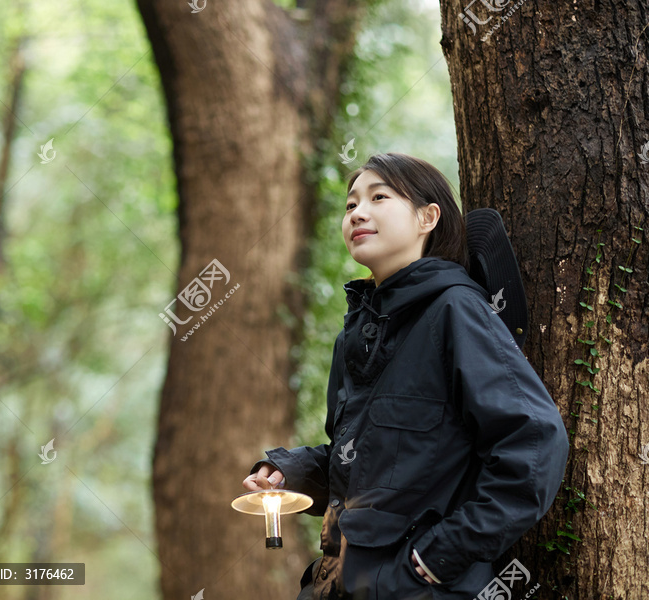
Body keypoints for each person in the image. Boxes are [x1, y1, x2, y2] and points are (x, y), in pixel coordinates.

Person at [242, 153, 569, 599]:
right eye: (350, 204)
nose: (358, 212)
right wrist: (287, 472)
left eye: (379, 197)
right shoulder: (352, 336)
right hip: (335, 584)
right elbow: (362, 463)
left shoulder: (455, 311)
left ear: (427, 217)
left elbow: (534, 443)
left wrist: (436, 559)